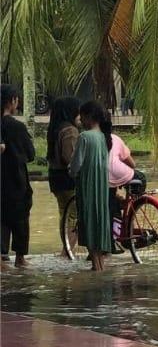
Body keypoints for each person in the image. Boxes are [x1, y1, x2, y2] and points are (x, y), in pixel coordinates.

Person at [69, 101, 112, 271]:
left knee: (88, 221)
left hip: (87, 186)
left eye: (82, 116)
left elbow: (75, 166)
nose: (80, 119)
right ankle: (99, 267)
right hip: (101, 187)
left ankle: (96, 269)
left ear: (88, 117)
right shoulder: (103, 137)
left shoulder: (85, 137)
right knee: (99, 220)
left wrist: (70, 172)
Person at [0, 84, 34, 267]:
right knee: (20, 219)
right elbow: (31, 154)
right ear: (11, 101)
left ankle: (2, 255)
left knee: (2, 219)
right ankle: (20, 257)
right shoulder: (17, 127)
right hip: (17, 179)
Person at [46, 96, 81, 259]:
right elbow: (70, 158)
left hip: (55, 177)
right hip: (67, 179)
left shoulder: (54, 129)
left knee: (64, 213)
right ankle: (67, 251)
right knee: (73, 215)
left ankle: (66, 249)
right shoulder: (70, 130)